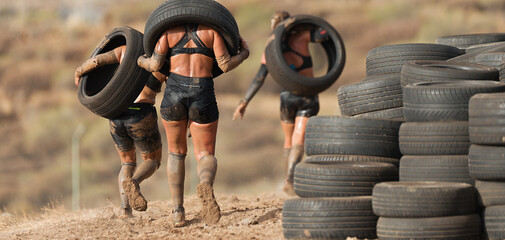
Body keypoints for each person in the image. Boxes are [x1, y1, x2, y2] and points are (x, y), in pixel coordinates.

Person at [137, 23, 249, 227]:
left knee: (176, 153)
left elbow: (154, 65)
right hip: (202, 91)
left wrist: (140, 60)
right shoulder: (212, 31)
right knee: (205, 154)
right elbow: (224, 65)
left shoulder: (168, 32)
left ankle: (178, 211)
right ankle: (205, 184)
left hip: (174, 93)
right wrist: (245, 54)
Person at [232, 10, 329, 196]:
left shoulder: (271, 51)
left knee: (288, 140)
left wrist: (244, 102)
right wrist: (309, 25)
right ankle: (290, 180)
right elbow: (325, 34)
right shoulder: (302, 38)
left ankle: (287, 180)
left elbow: (259, 78)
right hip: (307, 95)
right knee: (298, 140)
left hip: (287, 98)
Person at [74, 45, 165, 218]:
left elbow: (96, 61)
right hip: (141, 114)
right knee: (152, 159)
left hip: (116, 114)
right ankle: (134, 182)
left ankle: (125, 209)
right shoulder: (161, 60)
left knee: (127, 163)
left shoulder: (124, 51)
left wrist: (79, 71)